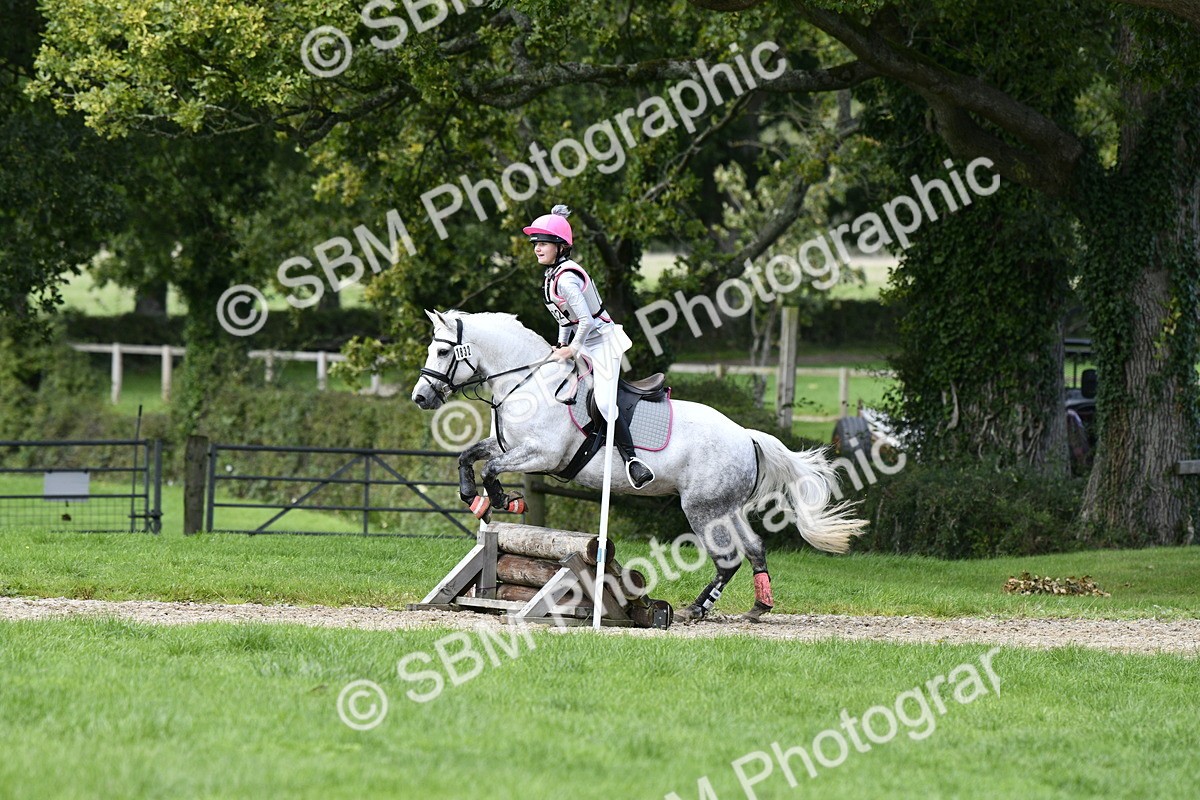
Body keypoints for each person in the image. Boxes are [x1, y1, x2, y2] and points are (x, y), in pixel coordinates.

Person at [523, 205, 654, 489]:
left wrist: (572, 349)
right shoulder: (552, 276)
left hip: (603, 343)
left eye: (542, 244)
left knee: (605, 403)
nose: (537, 249)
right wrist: (561, 344)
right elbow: (565, 317)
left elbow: (585, 321)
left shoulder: (567, 278)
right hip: (582, 343)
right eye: (535, 244)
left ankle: (633, 461)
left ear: (560, 247)